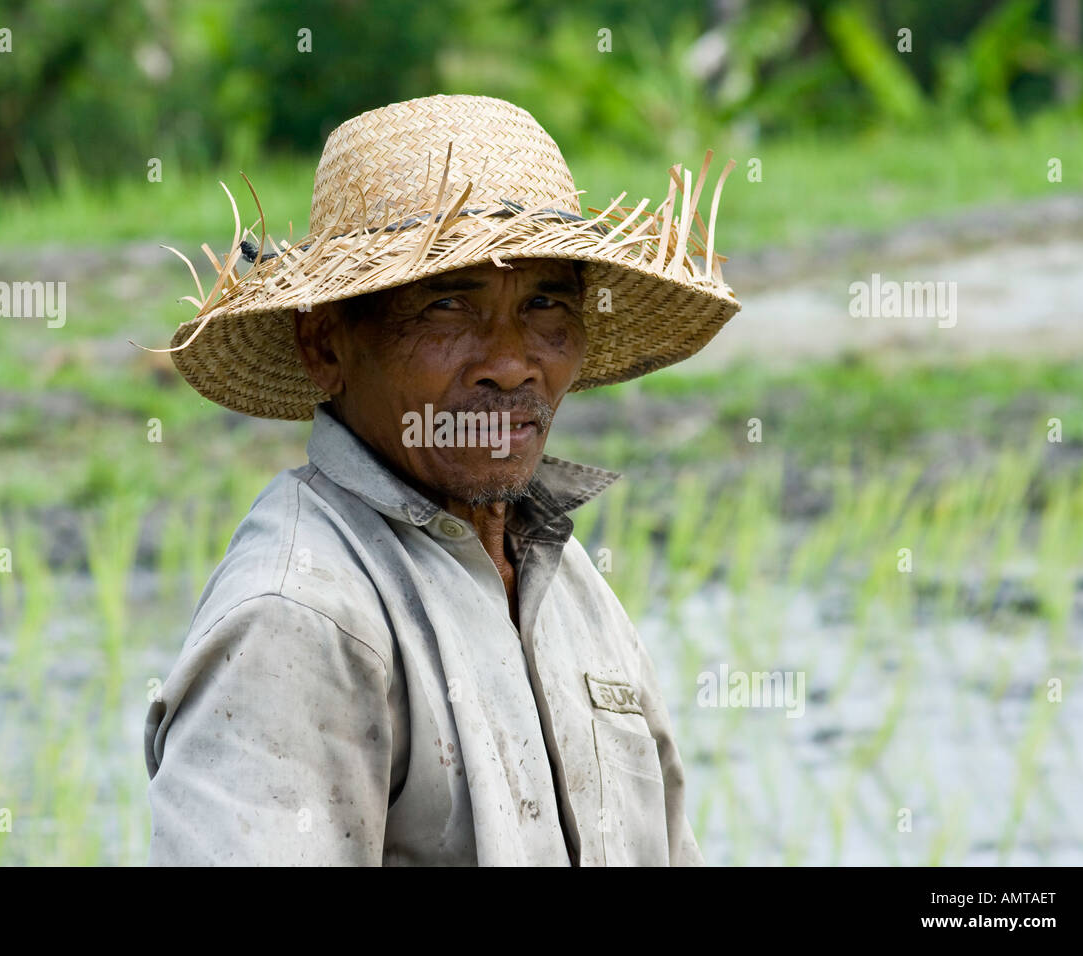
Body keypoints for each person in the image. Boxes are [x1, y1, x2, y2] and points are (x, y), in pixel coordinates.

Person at [143, 93, 741, 865]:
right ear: (325, 342)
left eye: (545, 302)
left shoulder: (567, 582)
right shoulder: (301, 616)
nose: (511, 362)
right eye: (449, 305)